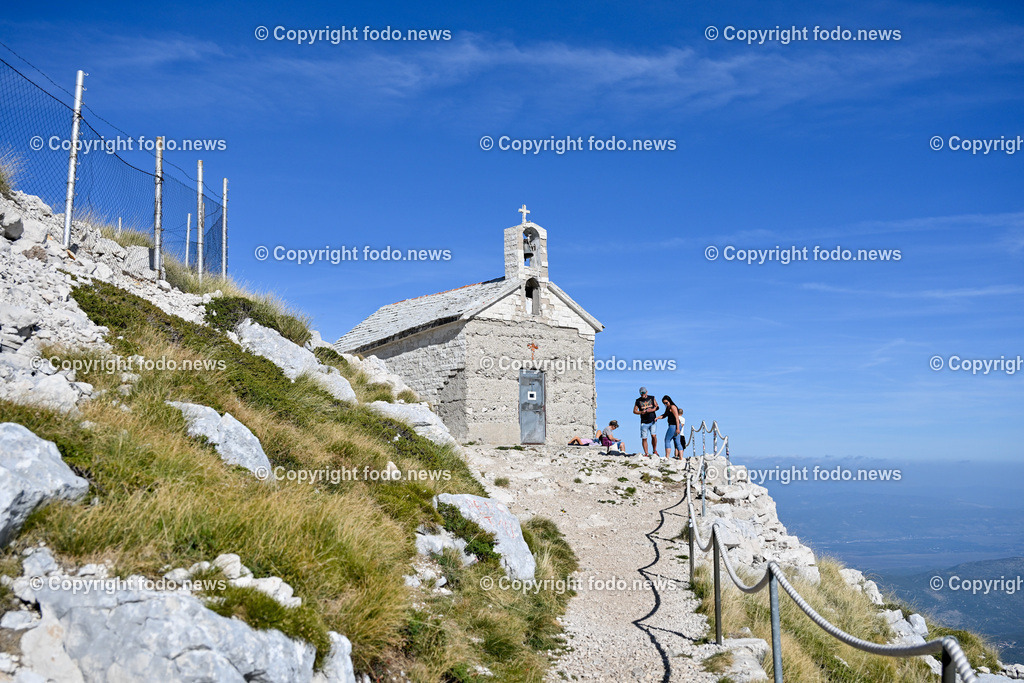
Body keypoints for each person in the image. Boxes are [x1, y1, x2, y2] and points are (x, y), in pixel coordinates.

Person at [656, 395, 685, 460]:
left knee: (667, 440)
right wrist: (657, 418)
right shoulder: (668, 408)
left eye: (666, 402)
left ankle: (667, 456)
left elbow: (677, 418)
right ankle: (681, 458)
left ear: (669, 401)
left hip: (674, 425)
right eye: (664, 403)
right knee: (677, 442)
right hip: (675, 426)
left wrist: (678, 428)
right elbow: (664, 415)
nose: (665, 404)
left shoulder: (673, 407)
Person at [634, 387, 659, 457]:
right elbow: (634, 411)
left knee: (653, 435)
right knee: (644, 438)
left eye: (644, 393)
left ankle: (654, 450)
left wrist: (651, 410)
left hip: (652, 420)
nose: (643, 394)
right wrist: (641, 412)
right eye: (641, 393)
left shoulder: (652, 398)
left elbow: (657, 407)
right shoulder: (638, 401)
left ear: (646, 392)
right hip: (644, 422)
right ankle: (646, 453)